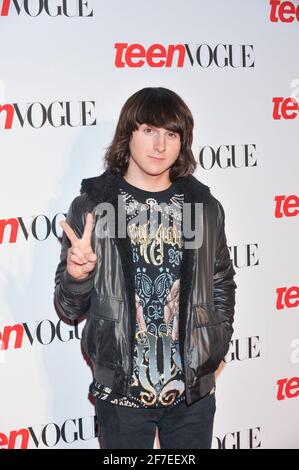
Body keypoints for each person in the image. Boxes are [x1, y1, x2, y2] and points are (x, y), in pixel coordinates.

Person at [53, 86, 237, 449]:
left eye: (171, 134)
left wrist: (215, 343)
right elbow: (68, 308)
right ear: (128, 134)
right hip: (121, 395)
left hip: (191, 396)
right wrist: (78, 275)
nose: (160, 145)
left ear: (182, 142)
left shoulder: (203, 208)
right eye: (149, 130)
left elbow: (222, 282)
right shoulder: (94, 207)